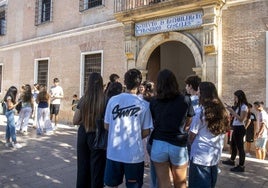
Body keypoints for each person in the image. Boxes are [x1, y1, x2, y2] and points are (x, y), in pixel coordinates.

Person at [104, 68, 153, 188]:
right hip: (134, 155)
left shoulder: (113, 100)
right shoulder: (144, 104)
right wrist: (134, 136)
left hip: (114, 152)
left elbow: (106, 125)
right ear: (139, 84)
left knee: (111, 185)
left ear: (124, 82)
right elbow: (146, 131)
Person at [149, 69, 194, 188]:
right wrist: (181, 127)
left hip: (159, 142)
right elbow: (189, 119)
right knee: (181, 183)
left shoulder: (154, 101)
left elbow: (153, 121)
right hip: (178, 143)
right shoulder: (185, 99)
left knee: (164, 183)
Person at [188, 82, 230, 188]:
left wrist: (189, 144)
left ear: (203, 93)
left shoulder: (200, 112)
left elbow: (192, 134)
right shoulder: (223, 111)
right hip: (214, 155)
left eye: (198, 90)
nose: (197, 93)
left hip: (200, 156)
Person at [73, 72, 106, 188]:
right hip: (98, 135)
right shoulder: (105, 100)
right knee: (97, 170)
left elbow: (75, 120)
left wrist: (86, 120)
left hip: (83, 134)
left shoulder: (83, 99)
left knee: (82, 167)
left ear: (88, 84)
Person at [222, 90, 249, 172]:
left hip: (240, 128)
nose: (235, 99)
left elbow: (241, 119)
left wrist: (232, 112)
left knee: (240, 147)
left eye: (236, 97)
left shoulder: (244, 106)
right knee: (233, 145)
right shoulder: (239, 106)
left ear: (240, 97)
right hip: (236, 127)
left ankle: (241, 165)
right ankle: (232, 160)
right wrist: (231, 108)